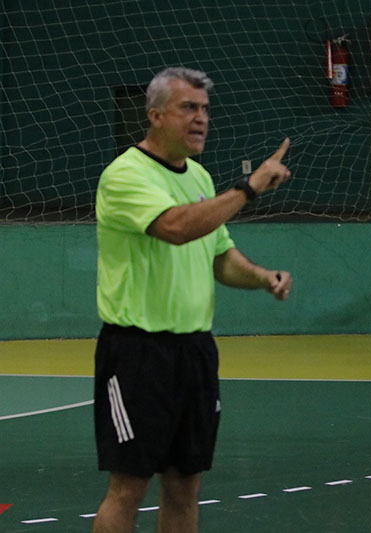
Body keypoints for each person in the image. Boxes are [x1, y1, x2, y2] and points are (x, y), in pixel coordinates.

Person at [92, 66, 293, 532]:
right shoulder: (125, 175)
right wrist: (247, 188)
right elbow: (176, 228)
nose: (201, 118)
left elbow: (220, 257)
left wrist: (263, 277)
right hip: (137, 353)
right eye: (188, 107)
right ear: (155, 115)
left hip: (195, 351)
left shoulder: (199, 176)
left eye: (204, 109)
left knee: (185, 484)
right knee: (130, 485)